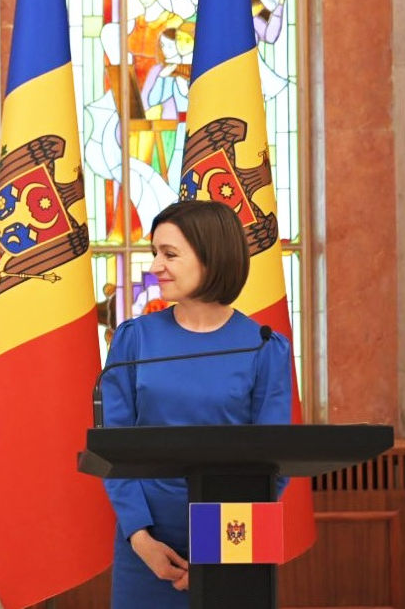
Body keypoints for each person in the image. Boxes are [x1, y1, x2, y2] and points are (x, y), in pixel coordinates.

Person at [100, 199, 292, 607]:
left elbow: (274, 463)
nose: (155, 266)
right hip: (147, 541)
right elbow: (112, 446)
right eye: (155, 252)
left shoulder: (265, 346)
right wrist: (140, 536)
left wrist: (215, 556)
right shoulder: (134, 339)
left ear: (212, 256)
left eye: (169, 254)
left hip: (235, 537)